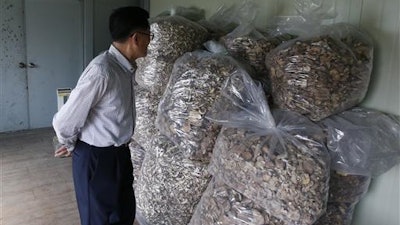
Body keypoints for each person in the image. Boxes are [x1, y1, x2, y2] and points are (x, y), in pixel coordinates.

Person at [52, 6, 152, 225]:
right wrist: (69, 144)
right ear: (135, 38)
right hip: (97, 160)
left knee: (123, 213)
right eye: (148, 36)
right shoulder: (103, 71)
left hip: (119, 155)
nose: (150, 42)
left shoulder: (124, 68)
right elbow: (64, 120)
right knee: (99, 219)